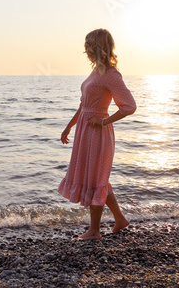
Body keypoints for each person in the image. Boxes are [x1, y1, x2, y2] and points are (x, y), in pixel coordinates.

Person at [58, 28, 136, 240]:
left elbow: (129, 106)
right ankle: (120, 220)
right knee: (97, 177)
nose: (85, 49)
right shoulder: (95, 72)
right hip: (85, 130)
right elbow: (83, 105)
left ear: (98, 47)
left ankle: (94, 231)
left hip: (98, 133)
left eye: (89, 45)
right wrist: (69, 126)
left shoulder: (111, 74)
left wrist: (103, 121)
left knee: (97, 180)